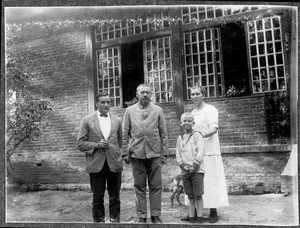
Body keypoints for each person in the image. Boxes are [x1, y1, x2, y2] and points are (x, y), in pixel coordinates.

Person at [122, 83, 169, 224]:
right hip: (136, 154)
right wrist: (125, 152)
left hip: (154, 153)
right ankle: (141, 216)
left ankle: (155, 215)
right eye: (142, 92)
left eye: (147, 92)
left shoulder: (158, 110)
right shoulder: (129, 111)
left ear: (151, 94)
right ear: (137, 94)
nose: (145, 95)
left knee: (156, 186)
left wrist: (164, 152)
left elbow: (163, 132)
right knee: (139, 187)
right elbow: (124, 132)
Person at [181, 85, 229, 223]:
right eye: (192, 94)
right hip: (195, 154)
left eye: (197, 94)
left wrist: (203, 134)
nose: (194, 96)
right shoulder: (192, 113)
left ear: (203, 95)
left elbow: (214, 128)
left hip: (209, 151)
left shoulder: (210, 109)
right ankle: (193, 212)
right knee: (195, 182)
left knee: (210, 182)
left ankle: (213, 211)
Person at [76, 91, 123, 223]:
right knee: (98, 198)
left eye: (108, 102)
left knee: (115, 197)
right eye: (103, 102)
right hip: (97, 164)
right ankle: (98, 223)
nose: (106, 105)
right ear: (97, 103)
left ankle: (115, 222)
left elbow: (120, 143)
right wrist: (97, 145)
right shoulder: (87, 120)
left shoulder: (117, 120)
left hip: (114, 163)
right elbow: (80, 144)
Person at [176, 112, 205, 223]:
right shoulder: (180, 138)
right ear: (181, 123)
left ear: (193, 123)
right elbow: (178, 154)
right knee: (190, 196)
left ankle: (200, 218)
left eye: (189, 121)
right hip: (185, 171)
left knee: (198, 195)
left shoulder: (197, 135)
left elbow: (201, 150)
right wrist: (182, 165)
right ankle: (192, 218)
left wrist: (195, 165)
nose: (187, 122)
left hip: (197, 170)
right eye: (184, 121)